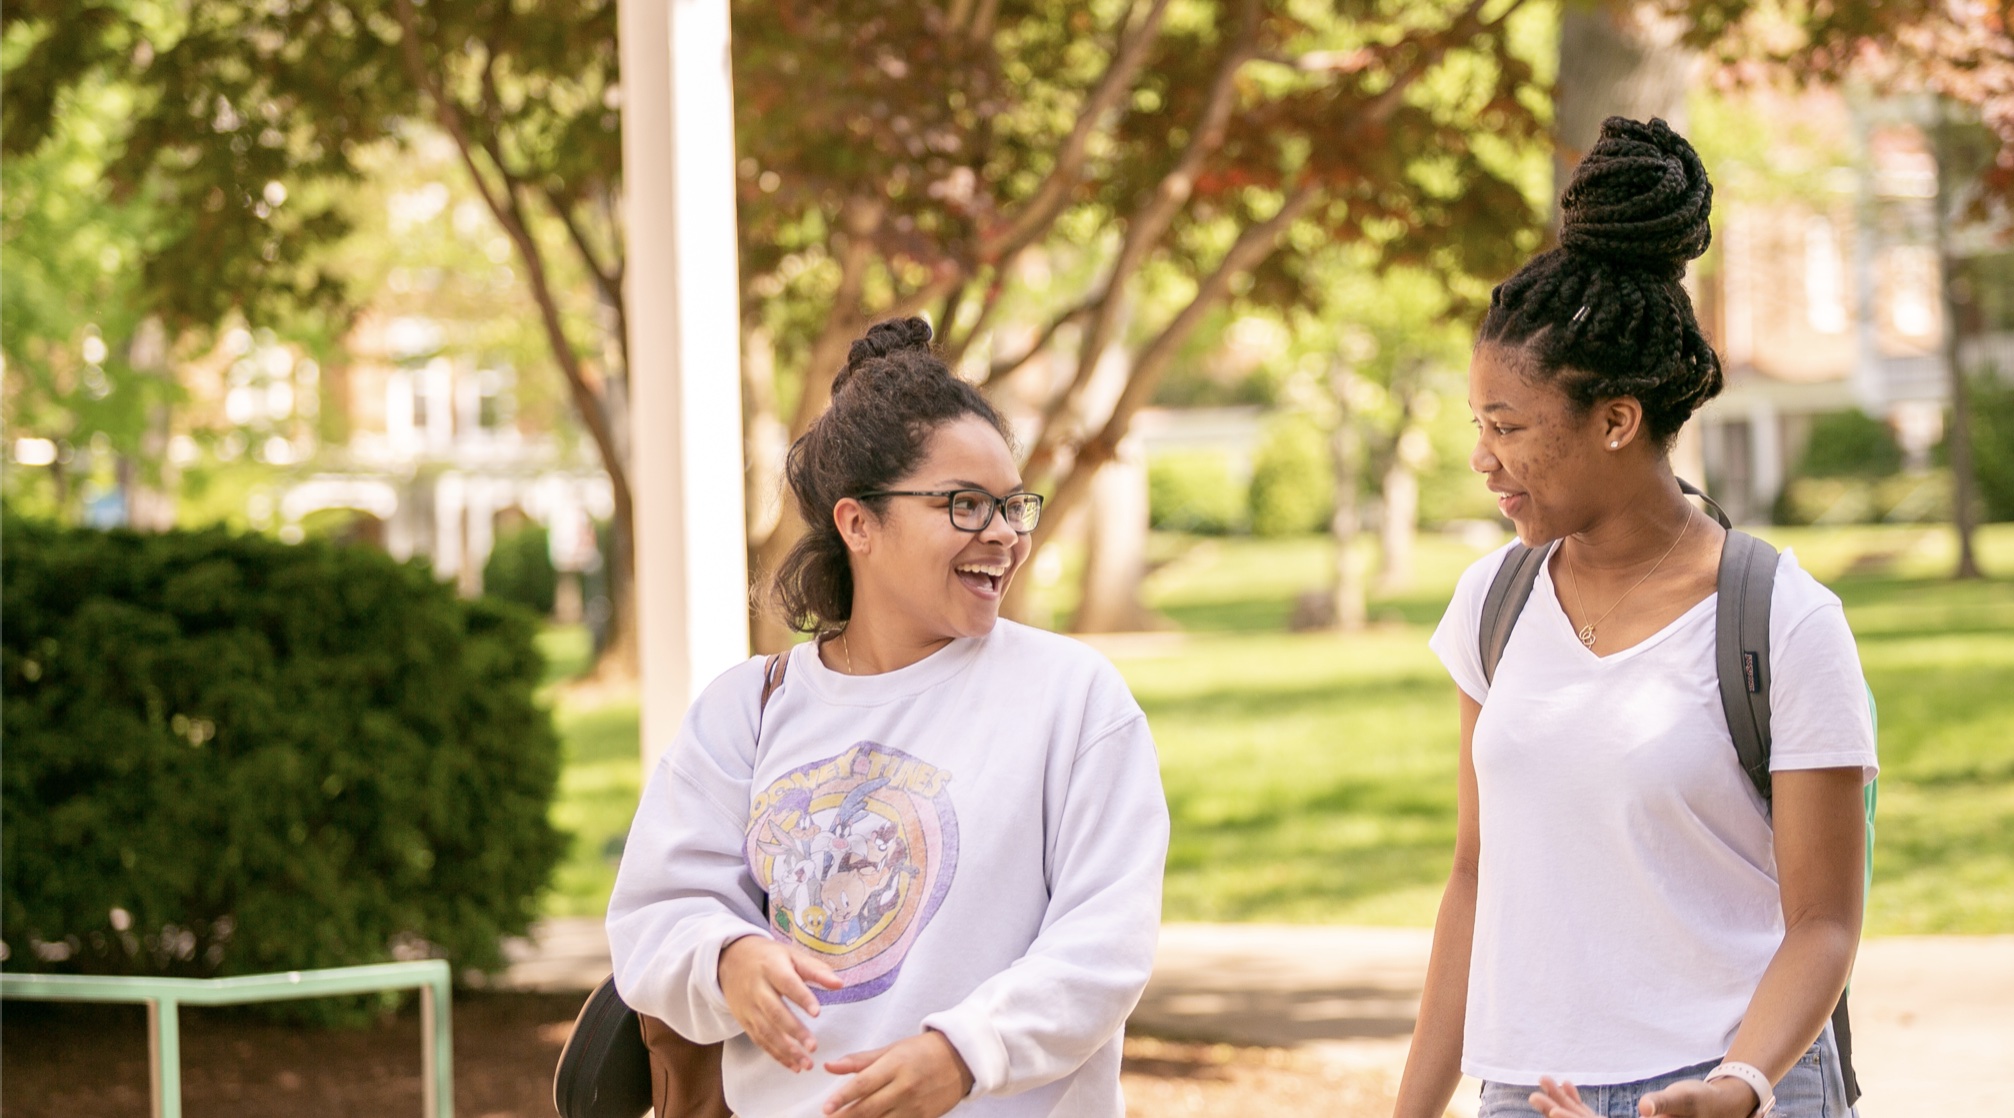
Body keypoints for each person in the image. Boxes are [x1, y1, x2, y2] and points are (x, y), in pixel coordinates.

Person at [1392, 118, 1878, 1118]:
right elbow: (1474, 878)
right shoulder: (1492, 604)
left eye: (1508, 427)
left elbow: (1823, 921)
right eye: (1475, 425)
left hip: (1737, 1081)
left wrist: (1738, 1084)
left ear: (1616, 419)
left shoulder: (1781, 620)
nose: (1482, 459)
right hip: (1529, 1087)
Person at [608, 317, 1170, 1118]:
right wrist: (725, 957)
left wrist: (966, 1056)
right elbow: (654, 915)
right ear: (858, 523)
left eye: (1012, 505)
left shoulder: (1072, 698)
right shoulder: (748, 711)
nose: (1005, 535)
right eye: (967, 505)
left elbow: (1105, 946)